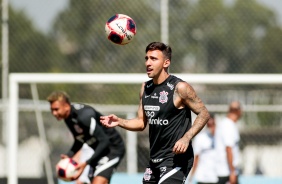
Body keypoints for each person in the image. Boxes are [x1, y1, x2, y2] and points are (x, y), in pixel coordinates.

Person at [100, 42, 210, 184]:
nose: (148, 63)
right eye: (146, 58)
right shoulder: (146, 88)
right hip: (154, 160)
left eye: (153, 59)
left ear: (166, 62)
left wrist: (186, 138)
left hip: (176, 159)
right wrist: (119, 121)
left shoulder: (180, 88)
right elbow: (141, 123)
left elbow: (204, 113)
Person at [47, 91, 125, 184]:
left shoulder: (84, 117)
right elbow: (79, 140)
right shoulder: (68, 118)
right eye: (52, 110)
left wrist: (86, 163)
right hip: (98, 151)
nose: (54, 113)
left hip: (112, 149)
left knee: (98, 182)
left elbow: (104, 141)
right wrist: (69, 155)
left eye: (56, 109)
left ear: (66, 106)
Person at [215, 101, 242, 184]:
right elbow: (228, 149)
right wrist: (232, 172)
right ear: (238, 111)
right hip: (226, 172)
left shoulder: (228, 124)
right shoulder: (228, 125)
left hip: (228, 171)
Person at [188, 114, 218, 184]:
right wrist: (191, 177)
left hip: (216, 176)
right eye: (209, 125)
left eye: (213, 125)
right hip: (203, 177)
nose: (212, 128)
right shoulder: (200, 138)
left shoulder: (219, 138)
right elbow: (196, 158)